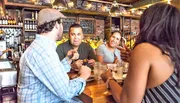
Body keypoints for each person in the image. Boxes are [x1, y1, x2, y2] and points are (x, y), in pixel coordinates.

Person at [101, 3, 180, 103]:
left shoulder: (144, 49)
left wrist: (109, 79)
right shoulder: (174, 53)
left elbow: (126, 100)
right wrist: (133, 58)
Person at [17, 8, 91, 103]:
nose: (62, 26)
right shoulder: (44, 51)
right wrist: (84, 76)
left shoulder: (41, 46)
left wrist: (68, 59)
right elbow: (66, 92)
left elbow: (53, 74)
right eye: (61, 23)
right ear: (56, 25)